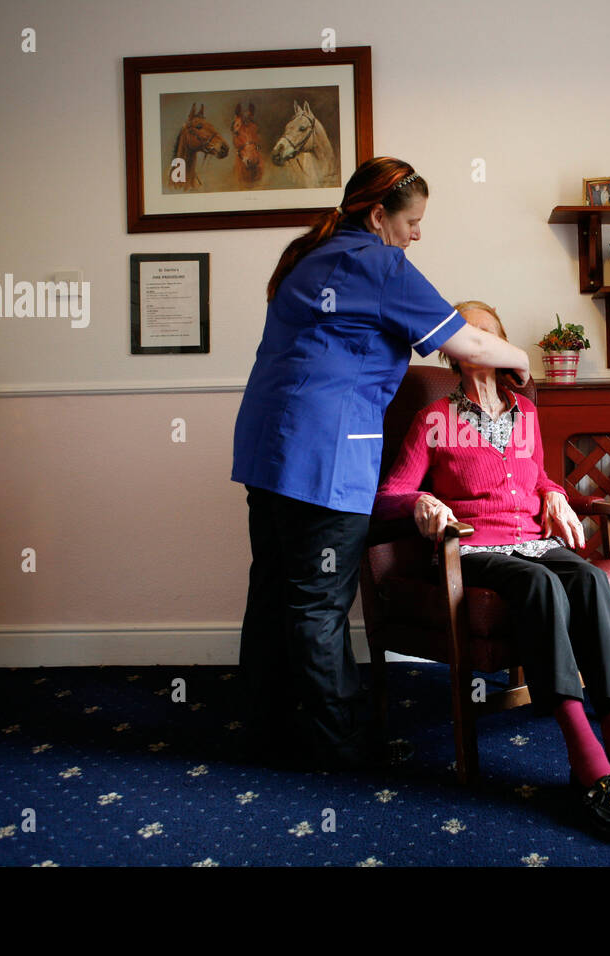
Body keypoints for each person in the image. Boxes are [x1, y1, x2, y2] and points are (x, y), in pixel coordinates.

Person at [232, 157, 532, 772]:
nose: (418, 233)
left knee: (272, 594)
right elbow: (468, 342)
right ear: (377, 216)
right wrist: (520, 353)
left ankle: (264, 731)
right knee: (318, 605)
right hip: (323, 456)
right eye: (413, 221)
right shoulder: (380, 263)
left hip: (268, 448)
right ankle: (338, 749)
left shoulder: (306, 256)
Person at [372, 301, 610, 841]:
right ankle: (586, 759)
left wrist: (555, 494)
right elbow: (390, 494)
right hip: (472, 548)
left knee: (588, 578)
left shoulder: (526, 412)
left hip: (532, 541)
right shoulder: (435, 418)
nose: (473, 340)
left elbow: (537, 475)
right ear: (452, 348)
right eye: (463, 332)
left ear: (500, 345)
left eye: (485, 331)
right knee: (540, 586)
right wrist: (422, 502)